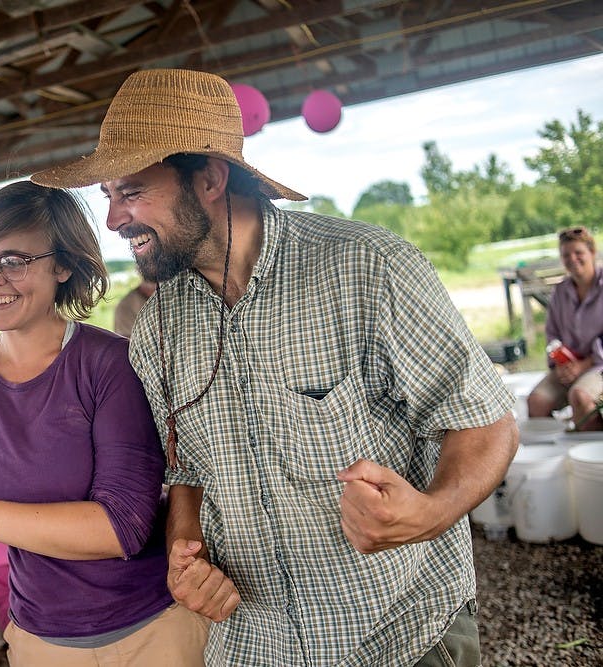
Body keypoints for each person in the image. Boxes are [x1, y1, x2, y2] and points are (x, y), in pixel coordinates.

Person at [32, 68, 519, 666]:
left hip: (399, 634)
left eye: (130, 191)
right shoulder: (158, 328)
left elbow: (486, 421)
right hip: (258, 646)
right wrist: (186, 548)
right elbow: (186, 467)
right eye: (107, 196)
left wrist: (432, 511)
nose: (113, 221)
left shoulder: (366, 268)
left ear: (209, 178)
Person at [0, 181, 209, 666]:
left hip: (154, 633)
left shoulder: (111, 364)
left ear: (63, 265)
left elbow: (122, 526)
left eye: (13, 260)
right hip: (40, 644)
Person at [526, 226, 603, 429]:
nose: (572, 259)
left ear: (592, 253)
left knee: (580, 397)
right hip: (567, 366)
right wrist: (561, 364)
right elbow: (552, 335)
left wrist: (583, 365)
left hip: (599, 366)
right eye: (565, 255)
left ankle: (589, 454)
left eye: (578, 253)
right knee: (536, 402)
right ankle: (555, 455)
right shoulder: (560, 292)